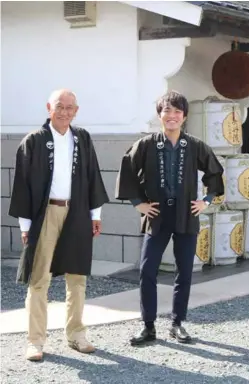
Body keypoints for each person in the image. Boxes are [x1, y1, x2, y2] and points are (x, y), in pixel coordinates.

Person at [115, 91, 224, 346]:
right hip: (157, 213)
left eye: (177, 111)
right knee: (147, 270)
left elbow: (214, 172)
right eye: (167, 111)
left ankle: (177, 324)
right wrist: (137, 203)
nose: (172, 116)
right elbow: (127, 169)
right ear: (159, 115)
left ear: (184, 116)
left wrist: (206, 201)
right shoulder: (147, 144)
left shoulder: (194, 145)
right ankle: (148, 326)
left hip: (186, 213)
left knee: (184, 271)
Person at [9, 89, 109, 361]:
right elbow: (23, 188)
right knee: (38, 279)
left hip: (76, 212)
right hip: (46, 213)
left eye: (70, 107)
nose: (64, 112)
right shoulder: (34, 141)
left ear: (76, 111)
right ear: (48, 108)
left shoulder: (83, 138)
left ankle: (76, 334)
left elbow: (92, 178)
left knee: (77, 277)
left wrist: (95, 214)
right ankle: (35, 341)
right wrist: (25, 226)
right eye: (59, 106)